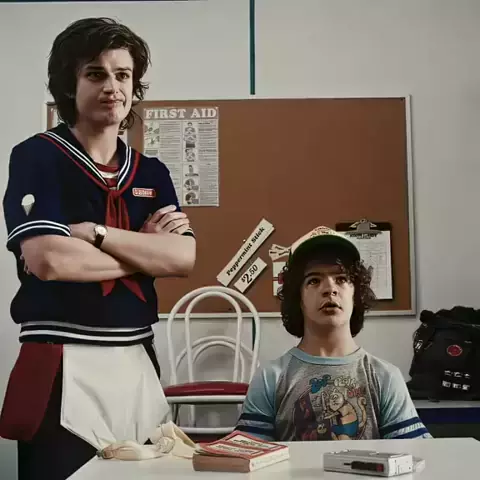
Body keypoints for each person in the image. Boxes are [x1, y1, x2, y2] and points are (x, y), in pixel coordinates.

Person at [0, 17, 196, 480]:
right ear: (70, 85)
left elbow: (182, 258)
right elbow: (49, 260)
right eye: (96, 73)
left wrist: (95, 233)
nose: (112, 86)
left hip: (136, 358)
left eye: (123, 75)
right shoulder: (37, 156)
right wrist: (145, 251)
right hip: (60, 359)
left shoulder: (151, 172)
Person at [235, 226, 431, 442]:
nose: (330, 289)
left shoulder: (385, 377)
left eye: (341, 279)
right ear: (297, 298)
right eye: (314, 280)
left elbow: (414, 454)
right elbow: (248, 455)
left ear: (356, 294)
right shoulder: (270, 378)